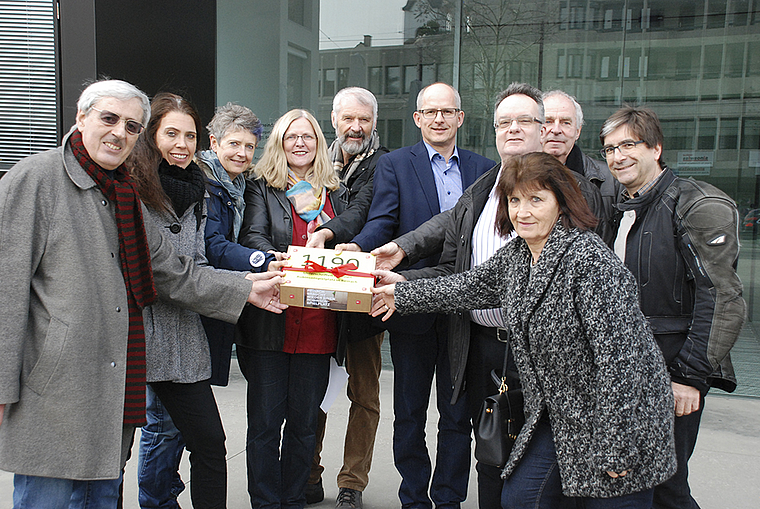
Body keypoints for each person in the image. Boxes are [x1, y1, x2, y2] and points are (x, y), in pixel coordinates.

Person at [0, 79, 285, 508]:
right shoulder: (35, 180)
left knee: (103, 492)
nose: (119, 132)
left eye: (131, 126)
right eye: (108, 119)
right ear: (81, 118)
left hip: (114, 380)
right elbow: (6, 291)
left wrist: (245, 290)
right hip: (56, 389)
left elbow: (173, 272)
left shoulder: (123, 191)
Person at [372, 152, 677, 508]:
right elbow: (466, 287)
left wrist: (618, 446)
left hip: (617, 421)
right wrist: (400, 292)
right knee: (521, 497)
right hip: (559, 412)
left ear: (561, 203)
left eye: (536, 199)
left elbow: (624, 365)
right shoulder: (519, 254)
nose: (523, 211)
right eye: (514, 200)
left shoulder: (589, 260)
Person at [368, 83, 552, 507]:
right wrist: (397, 256)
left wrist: (411, 283)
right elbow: (453, 249)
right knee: (476, 441)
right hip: (467, 331)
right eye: (505, 122)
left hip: (530, 346)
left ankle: (449, 499)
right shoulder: (486, 184)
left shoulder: (552, 188)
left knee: (507, 448)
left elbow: (479, 279)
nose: (512, 129)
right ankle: (417, 499)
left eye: (524, 121)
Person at [338, 82, 495, 509]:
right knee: (408, 414)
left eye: (448, 111)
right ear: (417, 119)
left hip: (464, 307)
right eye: (431, 112)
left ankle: (448, 498)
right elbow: (382, 221)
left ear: (460, 118)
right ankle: (413, 498)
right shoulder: (394, 164)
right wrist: (361, 250)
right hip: (409, 305)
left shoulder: (487, 168)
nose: (439, 119)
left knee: (456, 414)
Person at [600, 106, 746, 509]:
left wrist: (689, 376)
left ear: (657, 148)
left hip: (673, 370)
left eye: (629, 144)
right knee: (642, 483)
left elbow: (722, 299)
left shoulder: (697, 205)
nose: (618, 156)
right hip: (628, 368)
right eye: (610, 149)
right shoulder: (622, 207)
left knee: (666, 486)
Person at [235, 109, 347, 509]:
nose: (300, 143)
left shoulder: (336, 193)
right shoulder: (261, 187)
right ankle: (266, 502)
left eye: (309, 137)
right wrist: (274, 258)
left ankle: (294, 498)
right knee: (265, 426)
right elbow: (253, 235)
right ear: (279, 143)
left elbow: (348, 245)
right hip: (272, 321)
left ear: (319, 143)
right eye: (291, 137)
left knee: (304, 425)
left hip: (319, 326)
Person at [303, 87, 389, 509]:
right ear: (333, 119)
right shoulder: (316, 162)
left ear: (374, 122)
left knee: (364, 395)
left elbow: (365, 211)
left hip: (363, 298)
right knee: (315, 388)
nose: (356, 127)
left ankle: (352, 482)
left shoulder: (385, 165)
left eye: (365, 120)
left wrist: (329, 232)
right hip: (316, 294)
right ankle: (310, 472)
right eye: (348, 119)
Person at [198, 102, 279, 387]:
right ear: (214, 142)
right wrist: (262, 260)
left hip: (218, 295)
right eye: (234, 143)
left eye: (249, 146)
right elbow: (212, 244)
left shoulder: (241, 184)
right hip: (195, 301)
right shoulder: (203, 183)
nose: (242, 154)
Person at [542, 89, 619, 244]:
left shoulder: (610, 179)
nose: (556, 130)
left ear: (577, 132)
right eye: (548, 121)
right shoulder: (518, 177)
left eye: (565, 122)